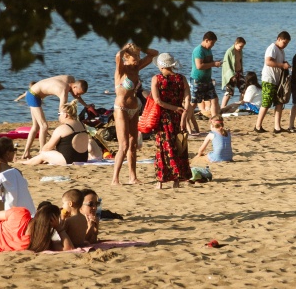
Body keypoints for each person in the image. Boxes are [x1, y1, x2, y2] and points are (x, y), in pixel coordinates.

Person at [113, 43, 158, 187]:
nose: (138, 59)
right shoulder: (121, 71)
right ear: (127, 57)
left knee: (133, 144)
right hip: (121, 109)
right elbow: (117, 56)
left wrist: (141, 48)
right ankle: (115, 179)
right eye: (135, 57)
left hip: (134, 108)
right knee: (124, 145)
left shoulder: (136, 68)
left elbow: (154, 54)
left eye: (138, 56)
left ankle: (133, 177)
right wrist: (126, 48)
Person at [15, 74, 87, 158]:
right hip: (33, 96)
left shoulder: (70, 79)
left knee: (36, 127)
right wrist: (65, 120)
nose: (78, 96)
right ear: (74, 87)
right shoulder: (63, 91)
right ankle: (42, 153)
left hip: (33, 93)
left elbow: (75, 95)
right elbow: (61, 110)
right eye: (78, 93)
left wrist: (86, 105)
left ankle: (26, 153)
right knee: (44, 126)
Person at [149, 52, 192, 189]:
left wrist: (174, 108)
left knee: (163, 147)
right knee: (178, 146)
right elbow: (187, 99)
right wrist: (183, 113)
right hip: (178, 117)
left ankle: (160, 182)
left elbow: (158, 101)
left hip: (164, 118)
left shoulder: (157, 79)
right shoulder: (181, 78)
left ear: (161, 66)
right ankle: (177, 180)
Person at [23, 102, 104, 165]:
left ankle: (23, 163)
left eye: (59, 114)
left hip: (68, 160)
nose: (58, 116)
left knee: (43, 154)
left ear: (65, 115)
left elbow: (47, 148)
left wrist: (45, 152)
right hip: (82, 158)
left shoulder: (62, 128)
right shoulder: (82, 125)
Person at [255, 31, 292, 133]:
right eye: (284, 43)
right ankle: (258, 126)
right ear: (278, 39)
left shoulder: (281, 51)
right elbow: (268, 61)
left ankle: (277, 127)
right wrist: (282, 65)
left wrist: (285, 64)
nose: (285, 45)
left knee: (279, 102)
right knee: (266, 102)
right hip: (269, 79)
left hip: (277, 80)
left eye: (287, 43)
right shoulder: (272, 48)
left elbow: (281, 62)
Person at [189, 31, 221, 134]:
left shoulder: (208, 50)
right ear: (206, 40)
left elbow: (208, 63)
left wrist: (215, 63)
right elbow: (199, 66)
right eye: (212, 43)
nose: (212, 46)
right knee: (193, 104)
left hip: (207, 79)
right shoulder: (198, 50)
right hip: (197, 80)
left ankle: (215, 123)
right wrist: (213, 64)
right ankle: (185, 122)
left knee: (214, 99)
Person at [218, 36, 246, 112]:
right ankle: (222, 108)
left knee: (244, 89)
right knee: (229, 92)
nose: (241, 48)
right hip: (231, 74)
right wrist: (231, 75)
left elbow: (240, 61)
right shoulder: (230, 51)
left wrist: (241, 71)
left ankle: (240, 106)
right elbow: (226, 64)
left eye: (243, 47)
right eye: (240, 46)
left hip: (239, 73)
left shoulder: (240, 51)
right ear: (236, 43)